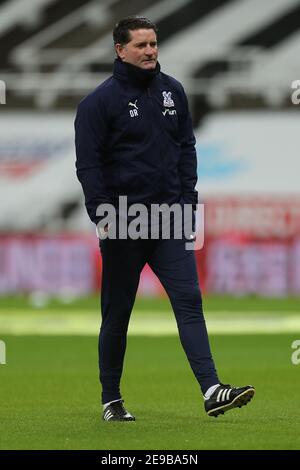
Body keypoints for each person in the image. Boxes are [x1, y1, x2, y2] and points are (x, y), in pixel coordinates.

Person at [75, 16, 255, 421]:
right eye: (141, 45)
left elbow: (186, 148)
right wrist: (100, 212)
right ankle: (111, 399)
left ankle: (212, 390)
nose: (151, 51)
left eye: (154, 43)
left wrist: (188, 202)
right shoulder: (98, 103)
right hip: (123, 221)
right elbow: (88, 165)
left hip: (169, 218)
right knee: (118, 312)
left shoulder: (173, 90)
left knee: (189, 301)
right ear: (120, 50)